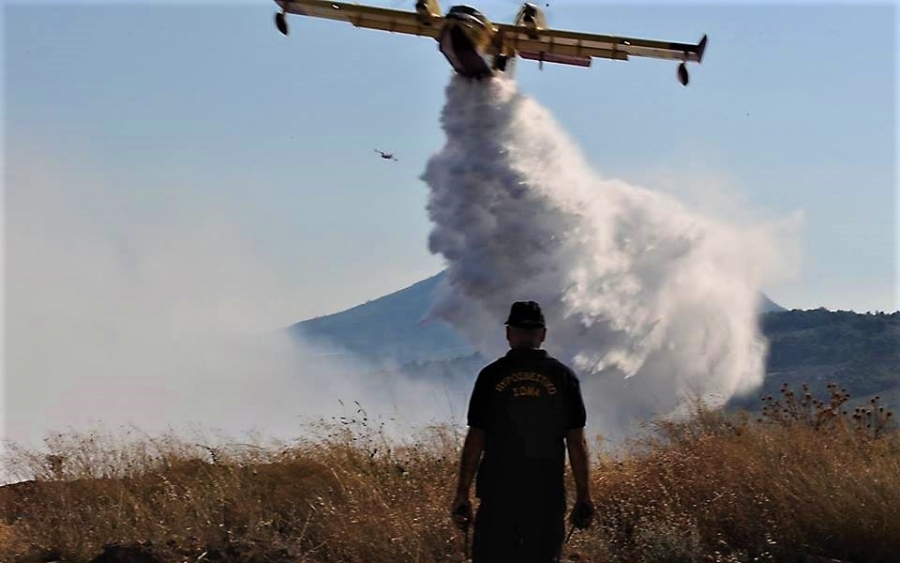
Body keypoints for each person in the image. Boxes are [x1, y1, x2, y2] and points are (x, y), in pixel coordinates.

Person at [451, 301, 595, 563]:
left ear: (509, 333)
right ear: (542, 334)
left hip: (498, 494)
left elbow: (476, 440)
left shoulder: (491, 376)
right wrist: (584, 495)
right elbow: (576, 443)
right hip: (546, 495)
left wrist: (462, 493)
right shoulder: (563, 377)